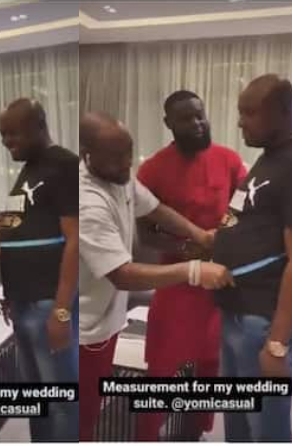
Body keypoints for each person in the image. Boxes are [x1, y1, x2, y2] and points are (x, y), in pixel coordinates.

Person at [78, 112, 235, 441]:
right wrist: (194, 269)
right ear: (87, 154)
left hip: (108, 318)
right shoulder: (88, 203)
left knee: (91, 402)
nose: (126, 163)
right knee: (84, 411)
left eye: (129, 152)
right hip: (85, 328)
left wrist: (200, 235)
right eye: (116, 156)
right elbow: (122, 275)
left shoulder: (119, 176)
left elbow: (154, 208)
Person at [134, 91, 247, 441]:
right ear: (168, 124)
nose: (197, 123)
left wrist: (223, 237)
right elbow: (145, 234)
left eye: (200, 115)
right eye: (186, 118)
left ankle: (197, 432)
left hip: (220, 283)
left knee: (210, 365)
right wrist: (188, 248)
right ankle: (148, 436)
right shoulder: (152, 169)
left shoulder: (229, 159)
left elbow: (243, 209)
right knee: (163, 367)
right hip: (175, 283)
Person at [213, 74, 292, 441]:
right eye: (240, 112)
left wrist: (277, 342)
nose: (240, 122)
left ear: (285, 112)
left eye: (250, 113)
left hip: (262, 321)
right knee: (238, 425)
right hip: (236, 312)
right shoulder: (269, 160)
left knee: (264, 429)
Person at [0, 98, 81, 441]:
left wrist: (61, 311)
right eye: (3, 134)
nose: (6, 141)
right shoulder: (29, 169)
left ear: (39, 126)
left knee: (60, 401)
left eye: (13, 133)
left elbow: (75, 240)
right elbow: (23, 230)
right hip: (22, 303)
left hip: (48, 303)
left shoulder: (64, 165)